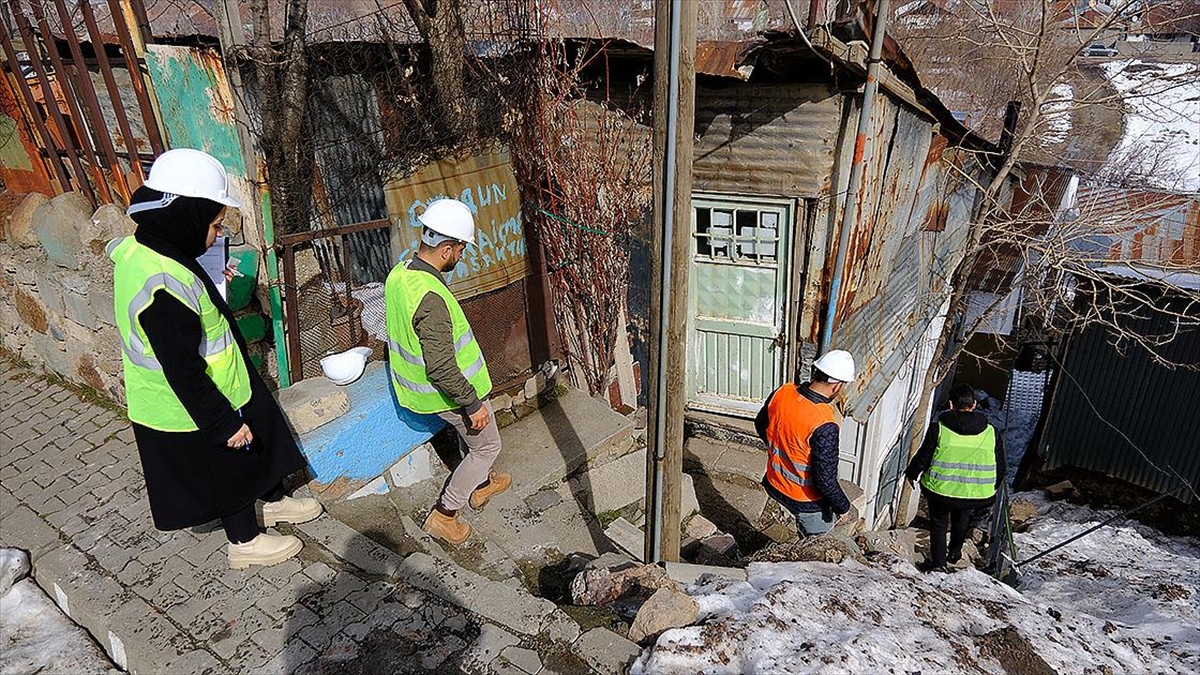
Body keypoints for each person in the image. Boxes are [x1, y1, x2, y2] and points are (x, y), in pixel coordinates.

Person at [108, 148, 323, 570]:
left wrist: (208, 271)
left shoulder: (154, 246)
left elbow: (186, 284)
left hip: (228, 383)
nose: (215, 234)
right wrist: (221, 422)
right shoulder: (161, 287)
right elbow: (182, 368)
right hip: (190, 405)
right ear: (184, 216)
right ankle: (244, 540)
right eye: (213, 225)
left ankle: (270, 499)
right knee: (226, 468)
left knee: (260, 433)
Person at [385, 198, 511, 545]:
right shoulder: (431, 298)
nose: (461, 256)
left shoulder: (401, 274)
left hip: (419, 391)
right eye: (459, 250)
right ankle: (445, 514)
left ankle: (483, 483)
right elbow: (441, 365)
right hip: (447, 394)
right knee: (486, 447)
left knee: (473, 442)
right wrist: (472, 404)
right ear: (445, 249)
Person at [905, 383, 1007, 572]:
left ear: (951, 405)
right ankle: (954, 552)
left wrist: (912, 474)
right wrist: (995, 484)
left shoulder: (939, 429)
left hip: (940, 490)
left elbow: (923, 457)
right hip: (974, 493)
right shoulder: (991, 433)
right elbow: (1000, 465)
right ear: (974, 404)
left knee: (938, 523)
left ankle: (938, 564)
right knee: (962, 518)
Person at [755, 350, 856, 537]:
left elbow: (761, 424)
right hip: (804, 500)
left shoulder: (783, 392)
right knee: (818, 546)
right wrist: (844, 507)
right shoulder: (824, 423)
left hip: (774, 483)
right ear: (836, 387)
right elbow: (825, 480)